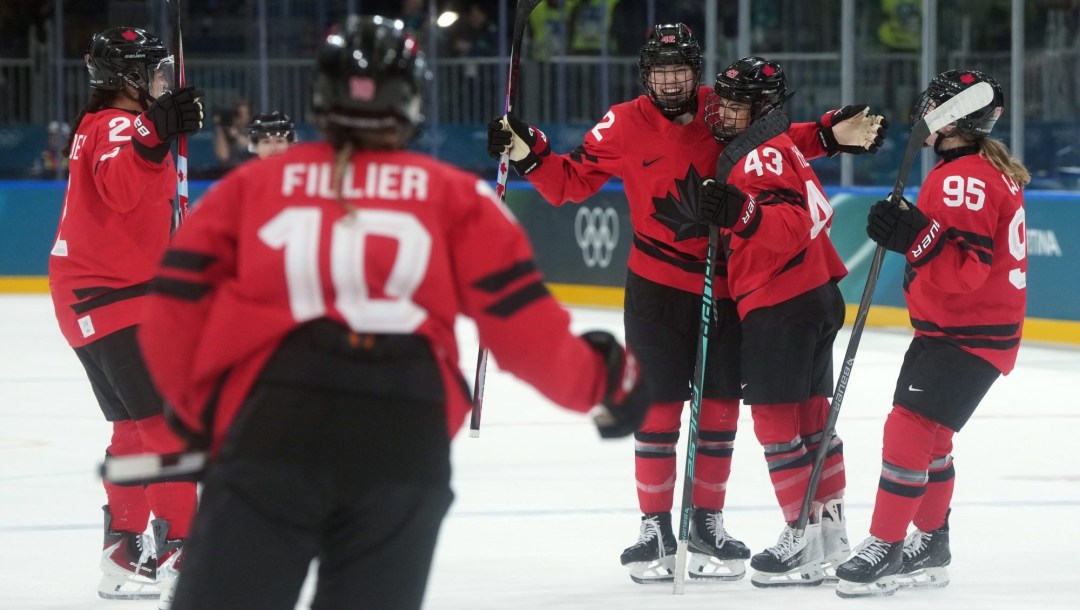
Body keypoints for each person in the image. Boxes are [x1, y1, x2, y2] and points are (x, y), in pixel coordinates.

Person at [135, 15, 651, 610]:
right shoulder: (457, 198)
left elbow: (171, 316)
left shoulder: (249, 190)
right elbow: (527, 335)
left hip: (274, 431)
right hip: (406, 437)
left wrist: (210, 423)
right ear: (411, 97)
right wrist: (609, 380)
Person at [487, 24, 885, 584]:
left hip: (720, 286)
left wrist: (829, 134)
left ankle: (708, 523)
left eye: (680, 69)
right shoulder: (621, 123)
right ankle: (654, 525)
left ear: (695, 72)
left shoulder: (716, 107)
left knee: (719, 411)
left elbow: (770, 136)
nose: (672, 80)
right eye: (660, 70)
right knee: (657, 408)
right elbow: (570, 182)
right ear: (644, 74)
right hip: (653, 288)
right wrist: (529, 157)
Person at [834, 70, 1028, 598]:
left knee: (908, 430)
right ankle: (932, 542)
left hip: (967, 334)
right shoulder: (982, 168)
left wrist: (914, 239)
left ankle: (885, 545)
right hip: (963, 331)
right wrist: (914, 235)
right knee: (933, 441)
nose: (923, 113)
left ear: (950, 117)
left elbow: (965, 272)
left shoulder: (961, 177)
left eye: (932, 105)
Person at [46, 26, 203, 603]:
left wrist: (157, 131)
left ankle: (126, 554)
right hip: (111, 295)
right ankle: (182, 551)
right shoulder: (116, 126)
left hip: (92, 296)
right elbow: (118, 185)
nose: (164, 80)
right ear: (128, 78)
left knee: (134, 426)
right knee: (166, 424)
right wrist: (152, 131)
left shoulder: (97, 125)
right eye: (154, 71)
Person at [696, 56, 851, 588]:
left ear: (762, 109)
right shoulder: (777, 147)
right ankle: (831, 531)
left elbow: (784, 223)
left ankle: (799, 537)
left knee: (777, 425)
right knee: (813, 418)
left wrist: (742, 214)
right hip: (815, 294)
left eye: (736, 105)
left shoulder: (759, 157)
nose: (724, 114)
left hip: (780, 300)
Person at [212, 97, 252, 173]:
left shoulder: (253, 132)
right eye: (239, 114)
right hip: (230, 173)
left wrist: (235, 134)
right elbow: (223, 157)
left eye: (246, 113)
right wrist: (219, 126)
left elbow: (252, 146)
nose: (243, 117)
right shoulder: (224, 134)